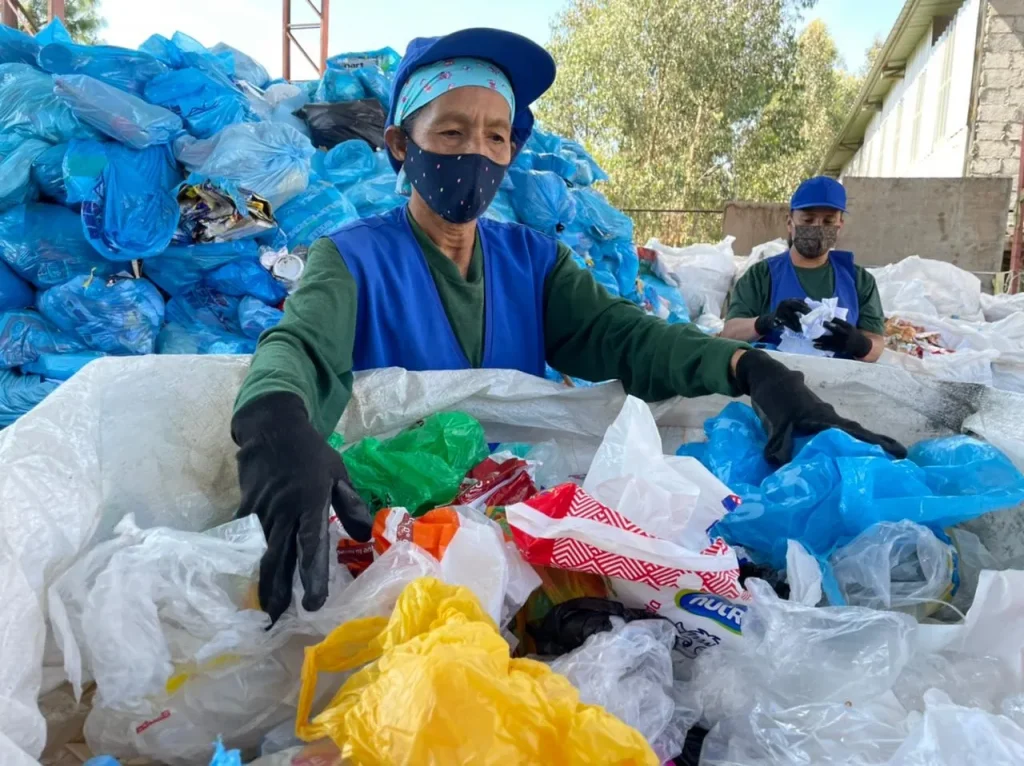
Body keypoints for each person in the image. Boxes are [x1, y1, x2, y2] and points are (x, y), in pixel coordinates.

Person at [231, 28, 905, 622]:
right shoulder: (352, 258)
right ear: (403, 145)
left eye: (496, 136)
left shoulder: (532, 261)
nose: (476, 153)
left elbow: (626, 336)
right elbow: (300, 347)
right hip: (401, 533)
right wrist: (277, 426)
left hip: (515, 520)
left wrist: (750, 368)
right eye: (452, 133)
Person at [721, 176, 886, 362]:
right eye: (808, 220)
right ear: (790, 222)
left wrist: (860, 344)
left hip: (839, 386)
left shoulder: (859, 281)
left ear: (840, 225)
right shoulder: (761, 276)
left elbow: (876, 343)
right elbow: (729, 333)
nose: (817, 228)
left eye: (828, 221)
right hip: (775, 382)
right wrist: (765, 322)